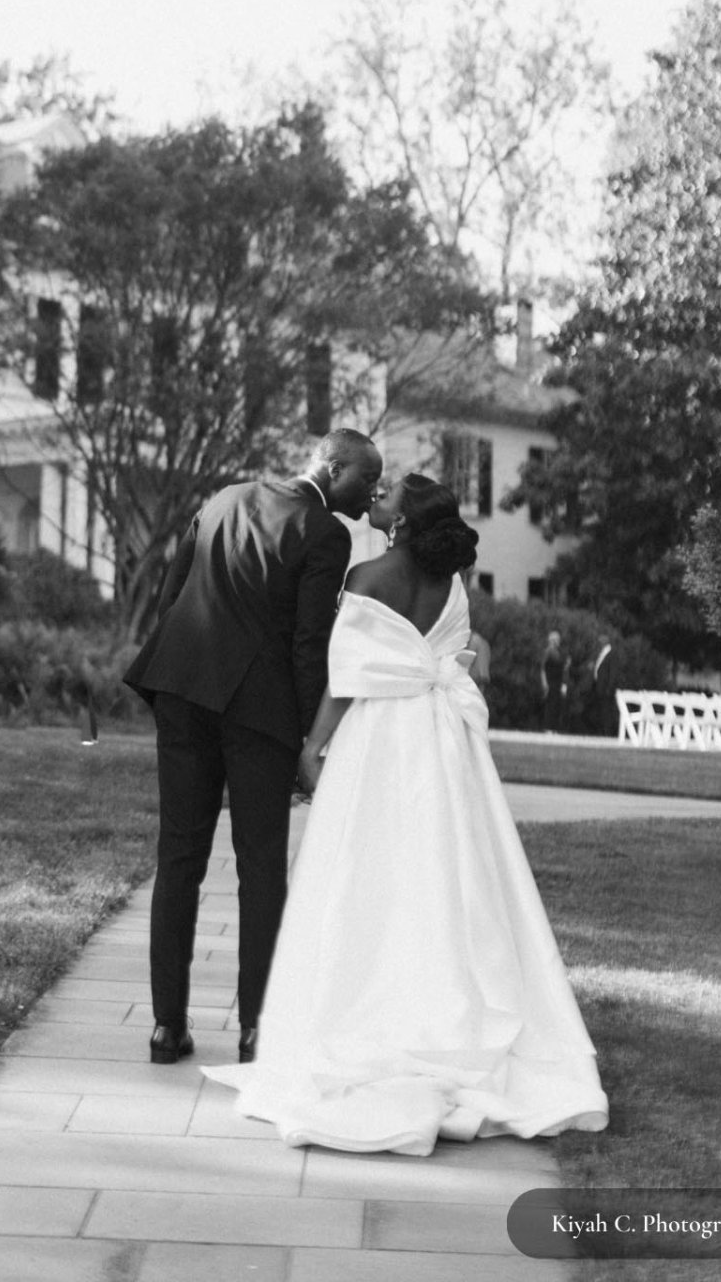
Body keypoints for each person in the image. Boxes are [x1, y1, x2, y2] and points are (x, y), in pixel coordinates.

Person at [205, 474, 608, 1154]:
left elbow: (346, 674)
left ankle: (372, 1013)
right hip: (442, 740)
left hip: (380, 738)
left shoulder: (367, 576)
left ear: (403, 518)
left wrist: (313, 744)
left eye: (390, 492)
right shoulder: (451, 584)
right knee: (448, 869)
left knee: (366, 871)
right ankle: (450, 1001)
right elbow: (459, 657)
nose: (379, 494)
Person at [124, 428, 384, 1066]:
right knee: (260, 868)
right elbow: (308, 645)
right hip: (257, 715)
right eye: (366, 479)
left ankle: (166, 1027)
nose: (372, 492)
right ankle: (255, 1032)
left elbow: (171, 597)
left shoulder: (221, 500)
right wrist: (308, 741)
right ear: (331, 465)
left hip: (184, 693)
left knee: (178, 855)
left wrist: (174, 676)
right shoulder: (325, 535)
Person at [540, 629, 567, 733]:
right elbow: (542, 668)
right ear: (552, 640)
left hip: (558, 681)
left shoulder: (559, 652)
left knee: (556, 704)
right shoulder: (547, 652)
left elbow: (563, 668)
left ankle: (554, 727)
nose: (558, 641)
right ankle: (548, 727)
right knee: (550, 704)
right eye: (556, 639)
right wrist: (544, 682)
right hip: (550, 681)